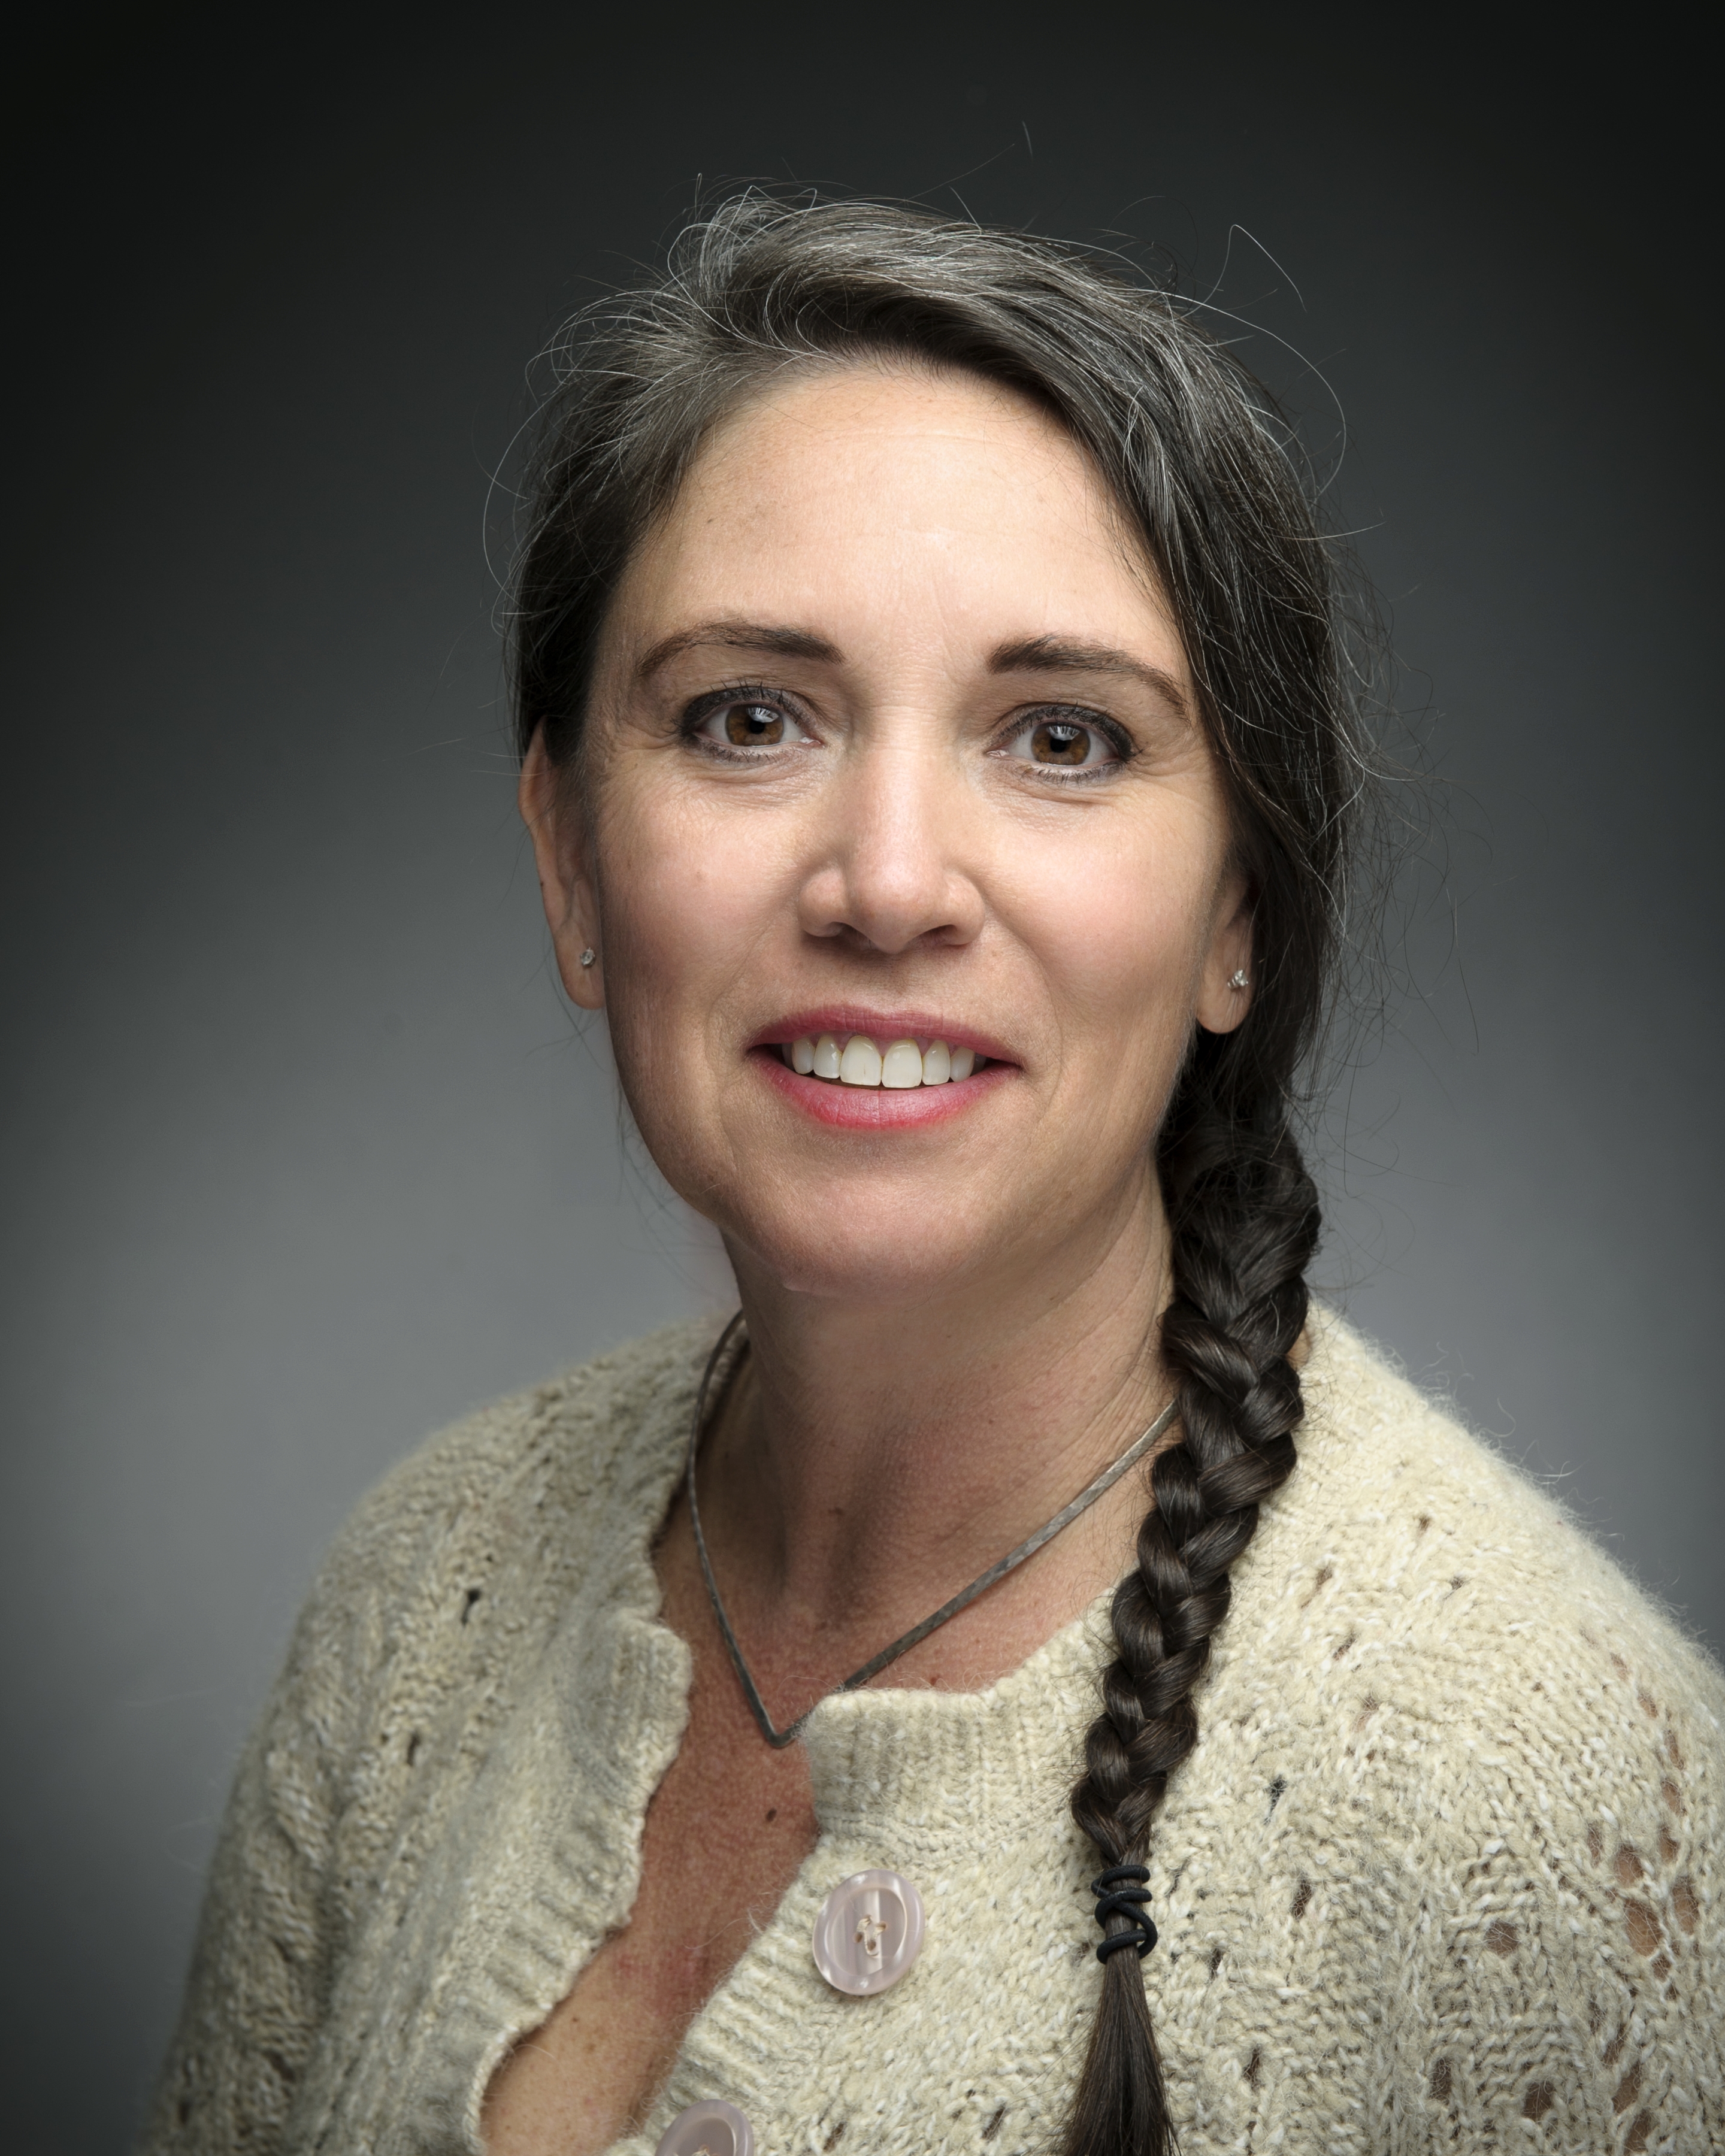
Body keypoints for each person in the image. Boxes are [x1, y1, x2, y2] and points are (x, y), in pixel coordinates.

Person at [144, 196, 1723, 2156]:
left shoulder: (1550, 1804)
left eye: (1061, 738)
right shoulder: (413, 1600)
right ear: (570, 862)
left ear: (1241, 910)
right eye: (748, 719)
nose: (887, 883)